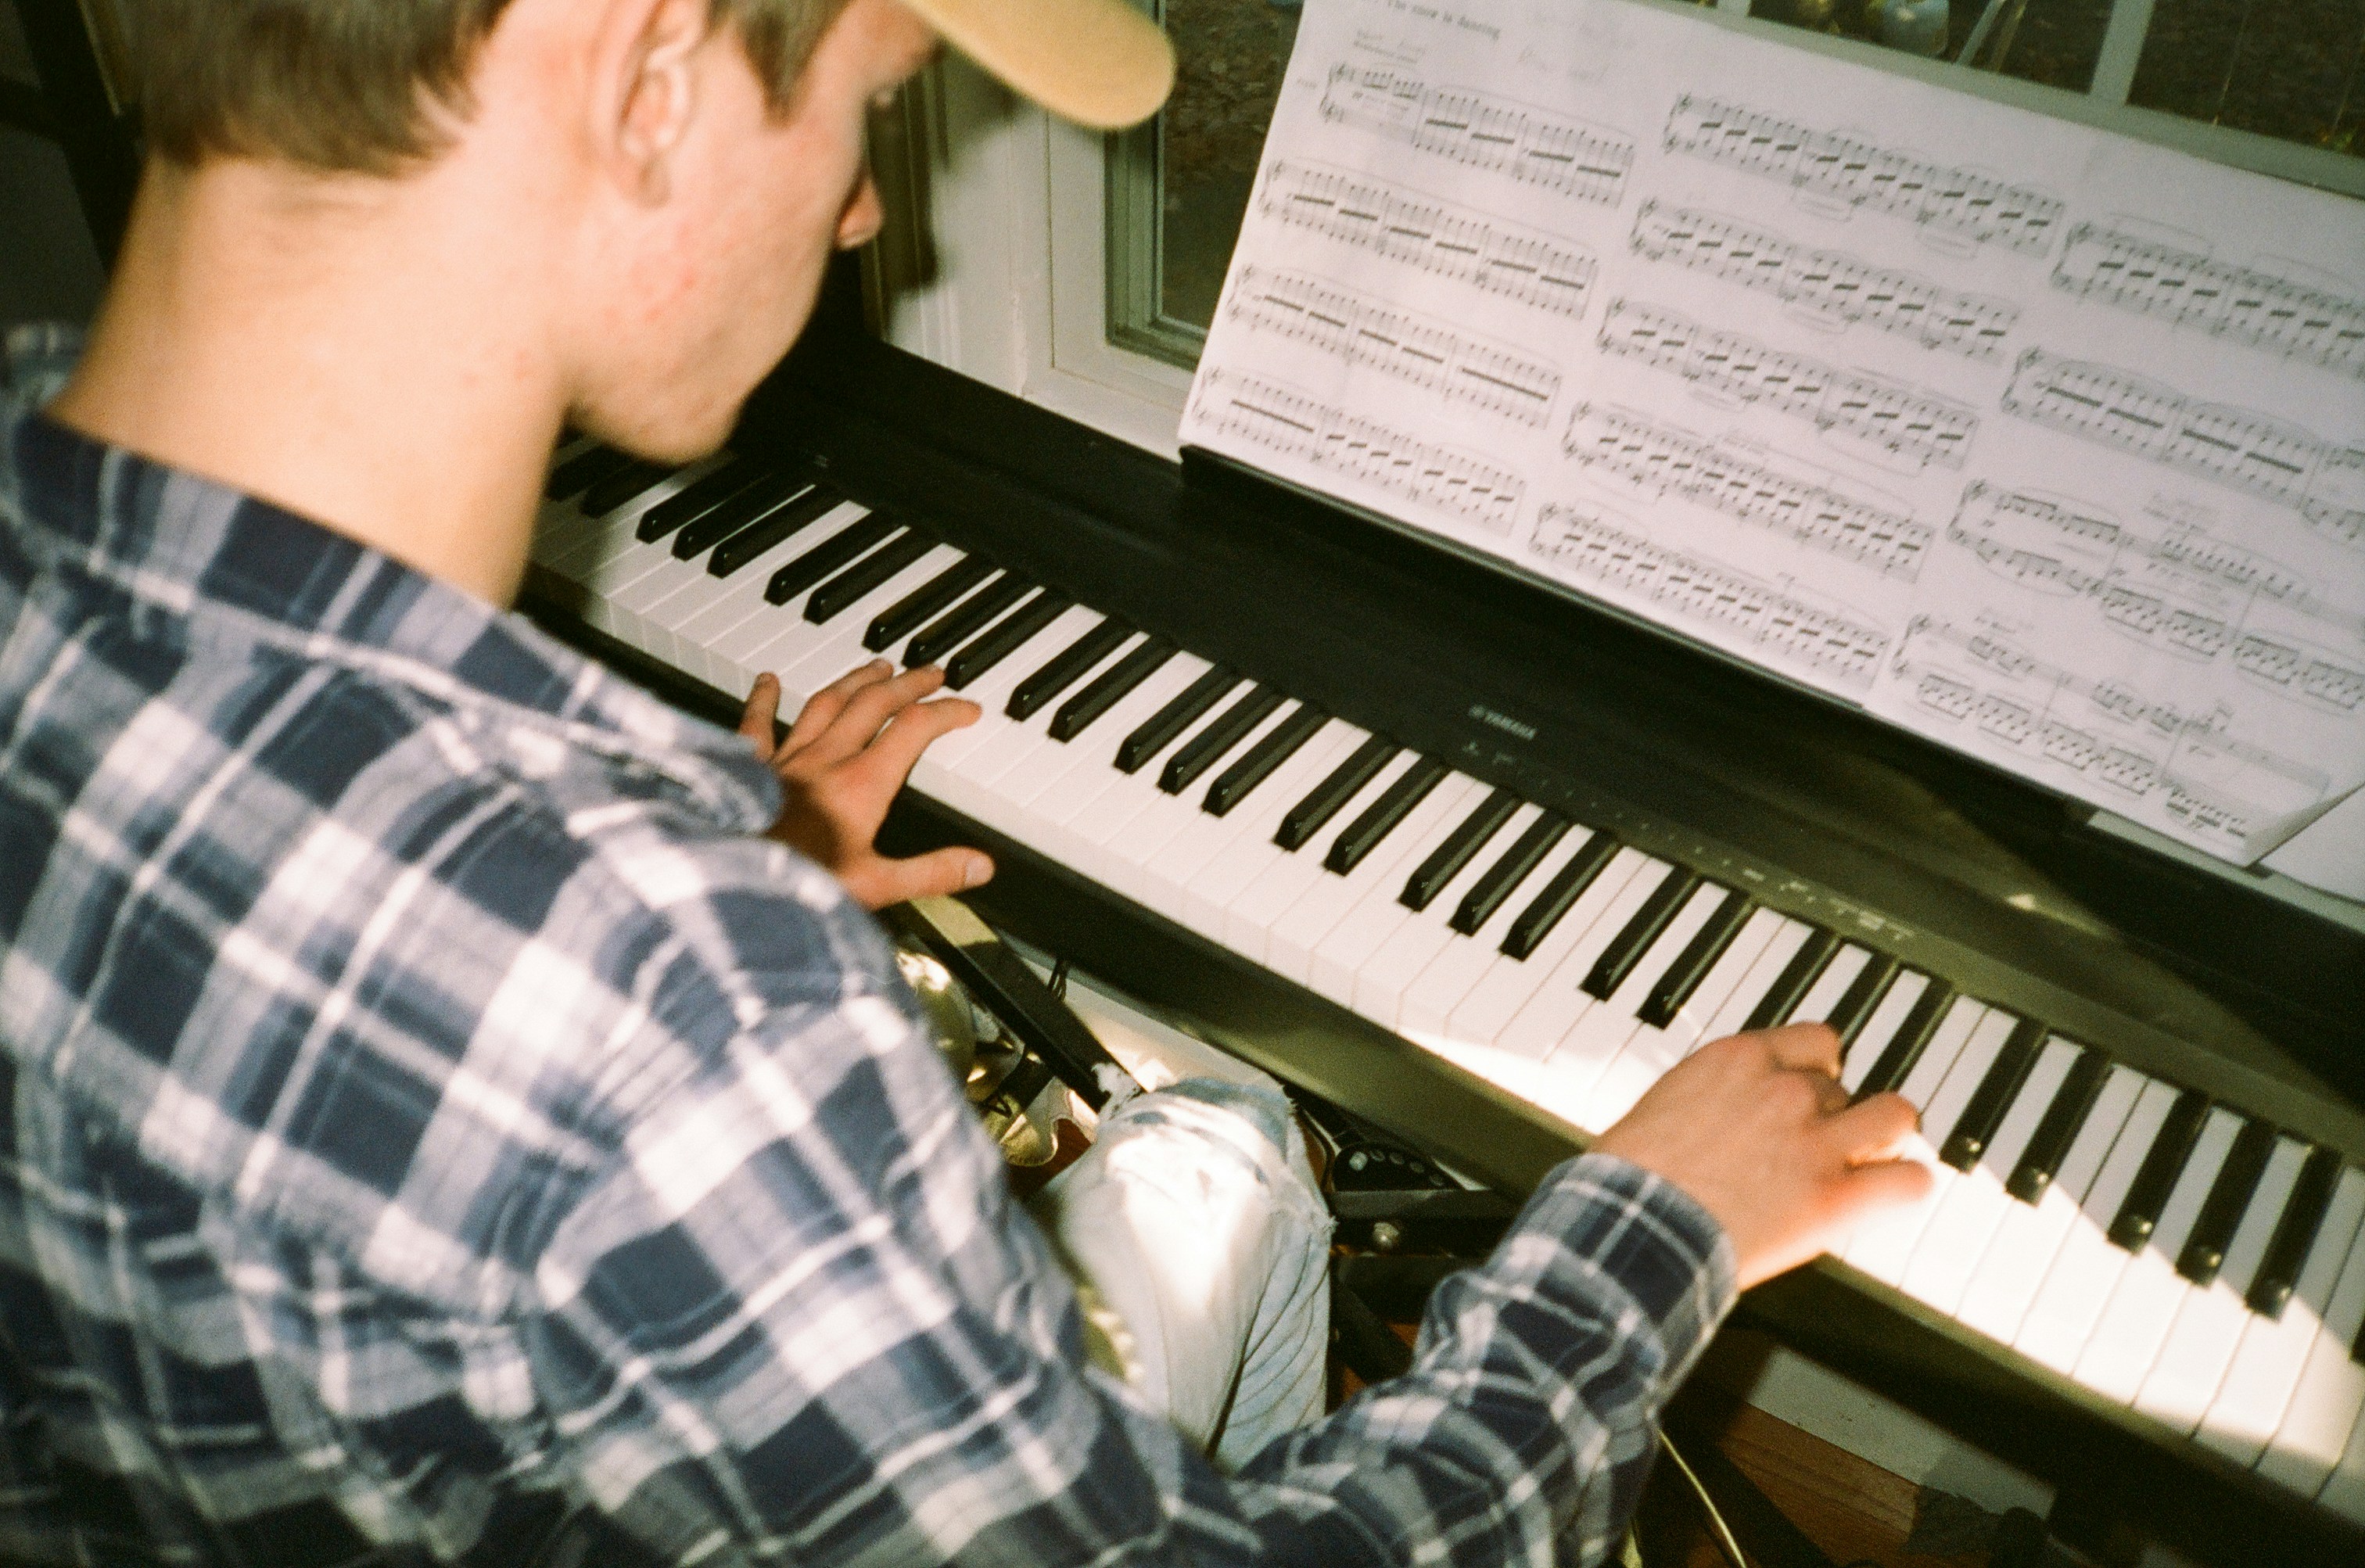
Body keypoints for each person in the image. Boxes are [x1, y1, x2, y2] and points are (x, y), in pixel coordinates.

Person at [0, 0, 1933, 1561]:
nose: (861, 219)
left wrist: (675, 887)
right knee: (1236, 1133)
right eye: (875, 91)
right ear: (656, 71)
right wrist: (1646, 1242)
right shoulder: (673, 1000)